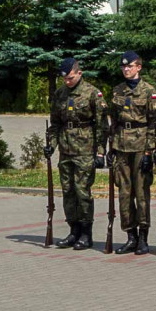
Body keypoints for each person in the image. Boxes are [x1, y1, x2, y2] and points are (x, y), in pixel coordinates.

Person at [45, 58, 107, 250]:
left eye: (70, 78)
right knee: (68, 191)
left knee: (82, 192)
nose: (67, 81)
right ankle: (74, 231)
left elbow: (102, 125)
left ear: (79, 73)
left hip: (85, 149)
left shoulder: (92, 93)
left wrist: (100, 152)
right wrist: (51, 145)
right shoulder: (60, 93)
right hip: (66, 149)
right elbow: (55, 123)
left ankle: (86, 234)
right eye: (65, 79)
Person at [107, 52, 156, 255]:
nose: (126, 69)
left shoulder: (149, 91)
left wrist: (149, 151)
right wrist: (111, 147)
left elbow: (154, 123)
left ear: (139, 67)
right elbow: (113, 121)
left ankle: (144, 237)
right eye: (123, 67)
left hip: (140, 145)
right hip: (121, 146)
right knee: (124, 193)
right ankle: (131, 235)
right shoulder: (117, 91)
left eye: (129, 66)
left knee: (142, 193)